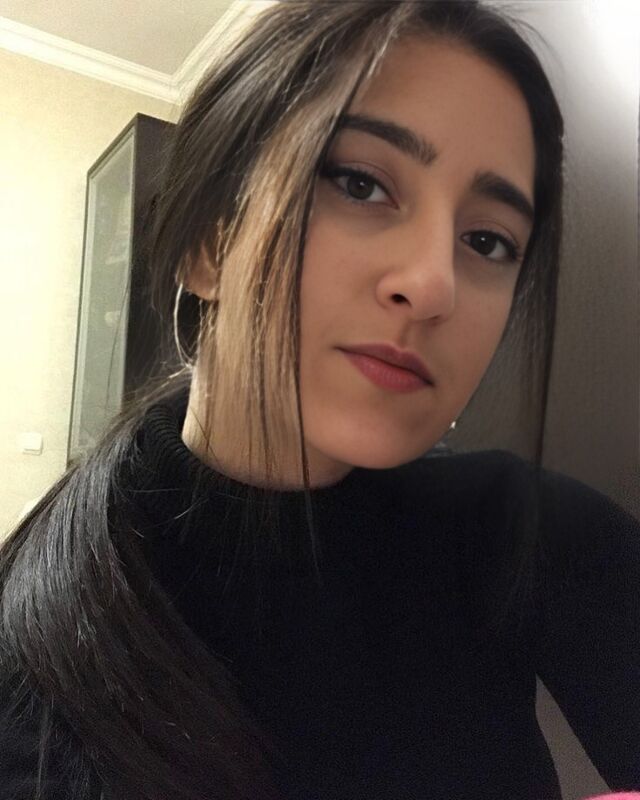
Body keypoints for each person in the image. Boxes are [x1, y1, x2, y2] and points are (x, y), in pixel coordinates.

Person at [0, 2, 638, 799]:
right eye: (360, 184)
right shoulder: (39, 637)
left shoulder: (529, 534)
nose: (434, 283)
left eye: (487, 240)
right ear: (208, 243)